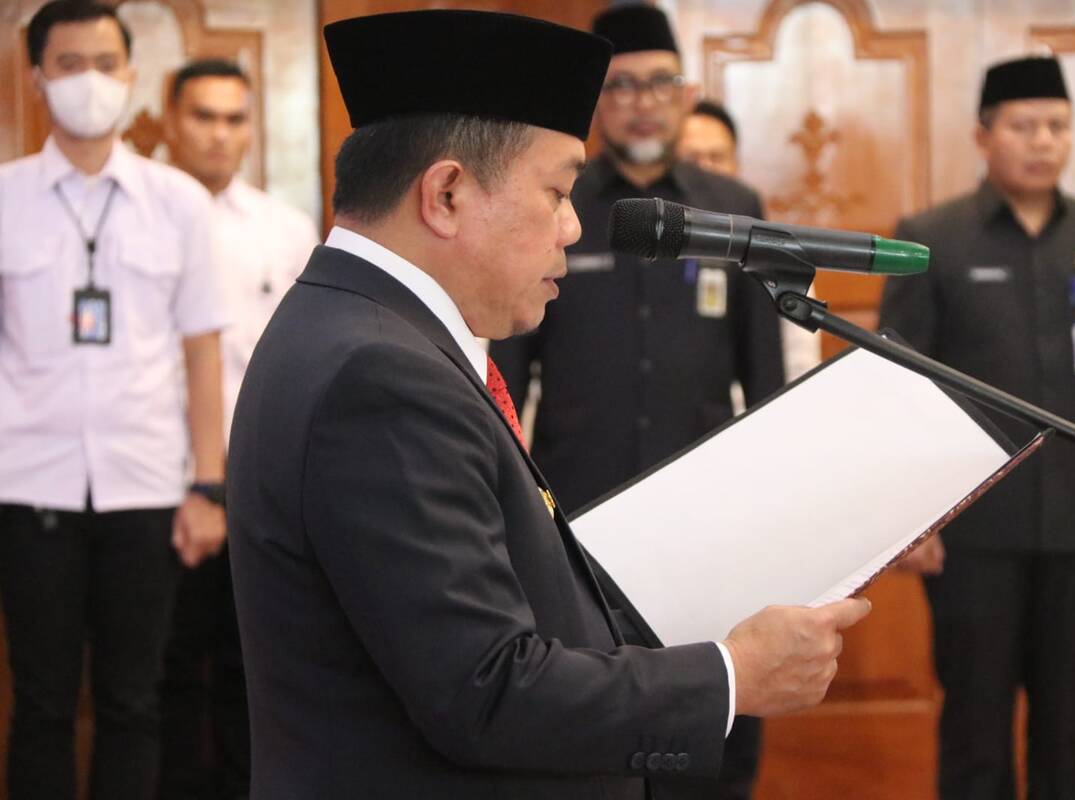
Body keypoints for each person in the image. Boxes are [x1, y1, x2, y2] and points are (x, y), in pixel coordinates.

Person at [226, 10, 870, 800]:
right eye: (557, 191)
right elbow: (487, 690)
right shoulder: (381, 375)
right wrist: (734, 674)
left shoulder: (362, 326)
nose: (572, 225)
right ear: (447, 194)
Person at [488, 11, 784, 794]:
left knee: (715, 729)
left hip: (712, 523)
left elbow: (765, 384)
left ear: (686, 94)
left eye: (658, 83)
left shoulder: (734, 206)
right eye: (620, 86)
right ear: (596, 102)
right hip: (579, 522)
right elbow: (506, 378)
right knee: (596, 730)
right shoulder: (557, 207)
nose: (641, 103)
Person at [879, 55, 1075, 800]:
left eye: (1057, 125)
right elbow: (897, 390)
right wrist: (910, 520)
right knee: (975, 727)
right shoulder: (933, 238)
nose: (1043, 141)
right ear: (984, 136)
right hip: (972, 530)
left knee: (1069, 727)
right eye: (1023, 126)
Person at [0, 3, 228, 799]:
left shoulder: (178, 202)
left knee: (135, 702)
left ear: (131, 76)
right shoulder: (5, 199)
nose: (88, 81)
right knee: (41, 704)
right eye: (68, 64)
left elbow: (201, 350)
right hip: (27, 484)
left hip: (146, 485)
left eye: (104, 63)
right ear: (37, 78)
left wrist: (208, 486)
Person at [159, 57, 319, 800]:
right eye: (203, 116)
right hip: (157, 483)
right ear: (170, 120)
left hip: (260, 487)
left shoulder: (285, 230)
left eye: (234, 119)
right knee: (160, 674)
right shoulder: (145, 214)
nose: (220, 135)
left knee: (250, 674)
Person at [677, 97, 821, 383]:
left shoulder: (780, 255)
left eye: (716, 157)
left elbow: (800, 363)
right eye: (692, 160)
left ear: (736, 163)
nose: (705, 170)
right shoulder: (657, 249)